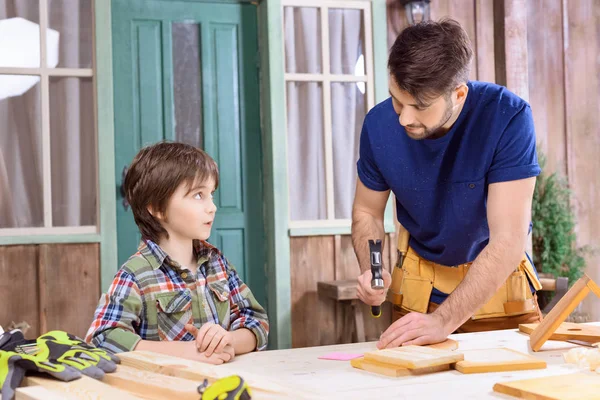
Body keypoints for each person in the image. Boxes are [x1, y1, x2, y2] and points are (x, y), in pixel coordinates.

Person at [352, 19, 543, 349]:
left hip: (499, 294)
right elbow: (367, 212)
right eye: (397, 100)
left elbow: (509, 240)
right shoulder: (377, 125)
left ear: (458, 94)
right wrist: (374, 269)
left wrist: (444, 320)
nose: (404, 118)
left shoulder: (508, 117)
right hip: (416, 296)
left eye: (419, 106)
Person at [85, 142, 269, 364]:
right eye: (198, 195)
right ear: (157, 208)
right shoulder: (136, 275)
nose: (212, 207)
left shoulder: (217, 264)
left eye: (211, 194)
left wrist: (228, 340)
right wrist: (187, 352)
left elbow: (256, 322)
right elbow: (102, 339)